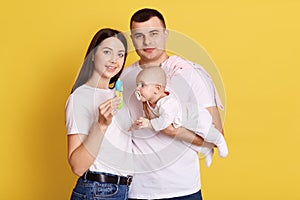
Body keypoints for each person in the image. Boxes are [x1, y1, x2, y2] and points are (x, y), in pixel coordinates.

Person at [121, 8, 227, 199]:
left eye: (154, 33)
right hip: (136, 191)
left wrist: (171, 130)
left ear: (166, 35)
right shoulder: (123, 76)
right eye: (139, 35)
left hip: (182, 189)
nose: (147, 42)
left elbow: (216, 135)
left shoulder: (189, 73)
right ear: (132, 39)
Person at [65, 28, 133, 200]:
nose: (114, 60)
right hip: (98, 191)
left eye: (120, 54)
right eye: (107, 52)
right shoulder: (79, 98)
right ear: (93, 55)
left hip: (126, 190)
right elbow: (78, 166)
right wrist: (101, 125)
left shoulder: (119, 95)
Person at [130, 66, 228, 167]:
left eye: (142, 85)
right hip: (183, 123)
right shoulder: (150, 102)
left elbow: (165, 122)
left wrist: (149, 123)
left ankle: (219, 140)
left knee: (206, 131)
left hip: (196, 116)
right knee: (186, 142)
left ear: (157, 89)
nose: (137, 89)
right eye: (137, 85)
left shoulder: (167, 104)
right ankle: (206, 150)